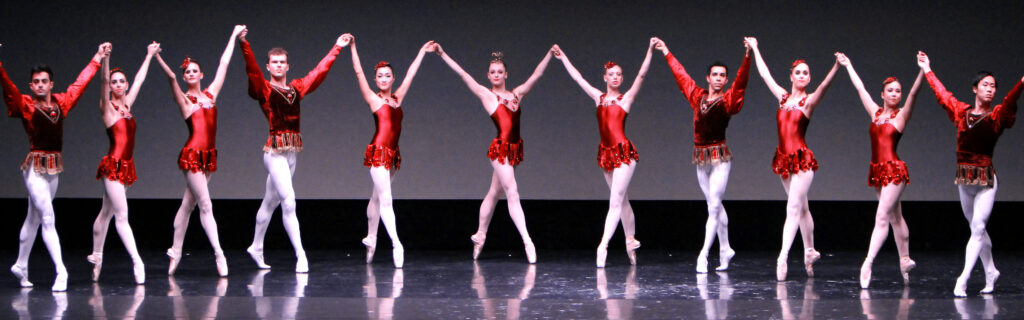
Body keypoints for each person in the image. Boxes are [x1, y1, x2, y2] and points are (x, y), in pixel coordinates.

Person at [237, 28, 350, 273]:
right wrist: (244, 43)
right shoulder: (265, 89)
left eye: (282, 63)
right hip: (274, 153)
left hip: (291, 153)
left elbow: (318, 73)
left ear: (288, 66)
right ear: (268, 66)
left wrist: (337, 47)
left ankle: (256, 246)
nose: (278, 66)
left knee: (270, 202)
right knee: (289, 201)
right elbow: (252, 71)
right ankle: (301, 255)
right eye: (274, 63)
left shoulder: (296, 88)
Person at [434, 42, 555, 263]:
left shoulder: (517, 94)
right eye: (492, 72)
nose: (496, 75)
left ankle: (480, 235)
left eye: (500, 71)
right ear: (488, 76)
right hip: (500, 150)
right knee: (512, 191)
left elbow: (536, 76)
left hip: (514, 149)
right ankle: (528, 241)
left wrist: (548, 54)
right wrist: (442, 53)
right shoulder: (487, 95)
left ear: (506, 74)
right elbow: (463, 74)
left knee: (494, 193)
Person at [2, 42, 108, 291]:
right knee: (48, 217)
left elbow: (79, 85)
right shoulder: (26, 105)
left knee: (34, 218)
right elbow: (9, 90)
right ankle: (61, 271)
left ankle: (20, 264)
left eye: (44, 81)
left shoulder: (61, 102)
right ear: (31, 85)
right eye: (36, 81)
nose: (40, 85)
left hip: (53, 170)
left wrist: (97, 58)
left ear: (51, 84)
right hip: (34, 170)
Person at [917, 51, 1022, 296]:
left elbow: (1009, 101)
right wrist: (927, 70)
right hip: (964, 180)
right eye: (985, 85)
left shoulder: (996, 116)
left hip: (986, 181)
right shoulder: (962, 112)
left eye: (993, 86)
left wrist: (1022, 83)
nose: (990, 90)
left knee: (978, 227)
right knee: (978, 230)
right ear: (975, 89)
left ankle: (962, 279)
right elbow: (943, 96)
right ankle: (991, 271)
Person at [553, 38, 657, 268]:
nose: (616, 77)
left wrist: (649, 50)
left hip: (623, 154)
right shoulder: (597, 97)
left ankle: (603, 246)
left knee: (616, 201)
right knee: (623, 201)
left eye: (619, 74)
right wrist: (563, 59)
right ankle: (630, 240)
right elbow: (578, 78)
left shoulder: (625, 99)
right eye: (612, 74)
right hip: (606, 154)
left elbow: (641, 76)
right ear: (605, 77)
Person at [154, 25, 246, 277]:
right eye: (188, 72)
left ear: (201, 74)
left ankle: (175, 250)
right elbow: (172, 78)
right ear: (185, 77)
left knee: (188, 205)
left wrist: (233, 35)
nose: (190, 73)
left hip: (208, 155)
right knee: (205, 205)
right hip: (193, 155)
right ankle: (220, 254)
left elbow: (224, 64)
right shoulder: (185, 101)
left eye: (195, 70)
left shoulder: (211, 94)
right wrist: (157, 56)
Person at [746, 37, 839, 281]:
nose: (801, 75)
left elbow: (823, 88)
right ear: (791, 76)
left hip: (803, 162)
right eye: (797, 72)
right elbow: (765, 76)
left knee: (793, 207)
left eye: (805, 73)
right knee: (803, 208)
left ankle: (783, 257)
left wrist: (836, 67)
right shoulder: (783, 98)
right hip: (784, 160)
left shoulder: (808, 102)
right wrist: (756, 48)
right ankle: (809, 251)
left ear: (808, 78)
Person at [654, 37, 751, 273]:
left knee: (714, 207)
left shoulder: (727, 101)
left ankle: (704, 254)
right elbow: (682, 76)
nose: (718, 78)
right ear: (708, 78)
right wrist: (666, 51)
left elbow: (741, 83)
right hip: (700, 159)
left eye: (722, 76)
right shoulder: (697, 97)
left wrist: (748, 56)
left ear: (725, 80)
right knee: (714, 206)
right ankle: (726, 248)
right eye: (714, 75)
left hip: (719, 159)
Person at [836, 52, 923, 289]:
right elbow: (860, 88)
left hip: (894, 170)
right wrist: (849, 65)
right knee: (896, 217)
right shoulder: (875, 113)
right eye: (891, 91)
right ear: (883, 94)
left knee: (882, 216)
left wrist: (922, 70)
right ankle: (904, 259)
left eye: (898, 91)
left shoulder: (900, 116)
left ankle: (868, 263)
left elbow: (914, 94)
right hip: (878, 171)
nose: (895, 94)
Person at [349, 35, 433, 268]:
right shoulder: (373, 99)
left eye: (388, 76)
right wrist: (354, 47)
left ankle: (372, 238)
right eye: (380, 76)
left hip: (393, 153)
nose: (384, 79)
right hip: (378, 152)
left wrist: (422, 52)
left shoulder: (398, 98)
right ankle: (397, 243)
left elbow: (412, 74)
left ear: (393, 78)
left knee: (376, 197)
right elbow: (358, 73)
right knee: (386, 200)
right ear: (375, 79)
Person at [89, 42, 161, 285]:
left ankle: (97, 257)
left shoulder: (127, 105)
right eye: (114, 82)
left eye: (121, 81)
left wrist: (149, 55)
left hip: (126, 166)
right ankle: (137, 261)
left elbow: (140, 79)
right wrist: (106, 59)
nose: (118, 84)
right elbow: (101, 83)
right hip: (113, 166)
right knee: (122, 215)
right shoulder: (107, 108)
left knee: (106, 213)